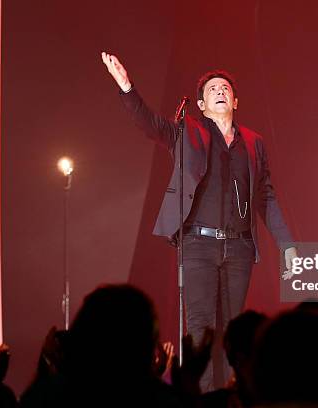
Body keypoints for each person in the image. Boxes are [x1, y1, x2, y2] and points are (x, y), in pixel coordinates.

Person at [101, 52, 297, 391]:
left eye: (225, 88)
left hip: (238, 248)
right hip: (198, 245)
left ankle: (229, 394)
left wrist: (288, 245)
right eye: (212, 89)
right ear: (202, 104)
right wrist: (126, 86)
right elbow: (150, 124)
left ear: (235, 100)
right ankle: (203, 396)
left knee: (232, 331)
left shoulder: (253, 143)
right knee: (202, 328)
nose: (219, 91)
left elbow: (266, 196)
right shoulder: (186, 131)